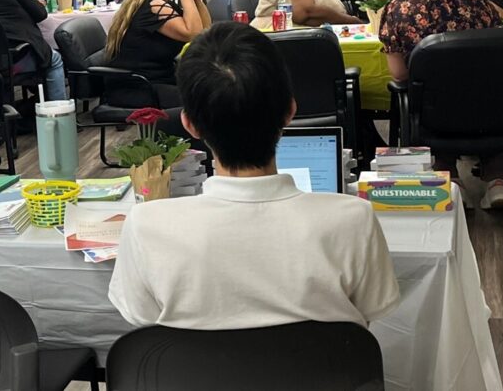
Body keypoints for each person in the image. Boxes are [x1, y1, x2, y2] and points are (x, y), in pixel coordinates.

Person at [109, 22, 399, 329]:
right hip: (321, 375)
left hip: (197, 377)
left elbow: (144, 322)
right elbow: (371, 311)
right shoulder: (354, 220)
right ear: (290, 111)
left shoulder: (146, 226)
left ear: (189, 124)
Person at [379, 0, 503, 208]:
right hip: (489, 108)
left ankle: (451, 180)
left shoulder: (398, 10)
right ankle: (496, 181)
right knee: (483, 85)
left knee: (433, 93)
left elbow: (399, 74)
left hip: (434, 113)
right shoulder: (480, 3)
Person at [105, 0, 209, 108]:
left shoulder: (158, 3)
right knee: (204, 101)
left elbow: (204, 31)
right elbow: (192, 34)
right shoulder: (153, 6)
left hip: (156, 80)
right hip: (139, 87)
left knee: (209, 90)